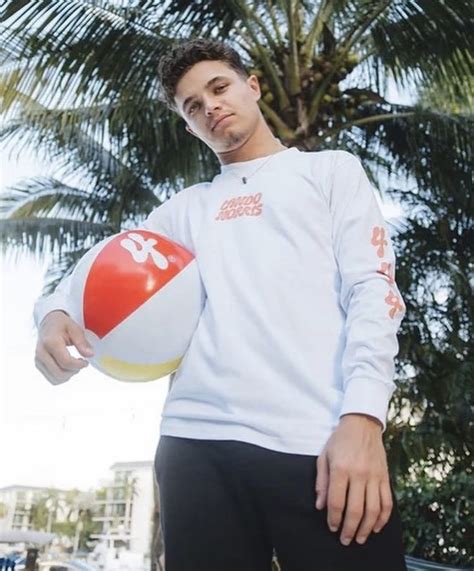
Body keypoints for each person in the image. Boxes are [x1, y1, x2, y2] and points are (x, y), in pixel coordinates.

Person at [33, 38, 408, 570]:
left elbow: (374, 292)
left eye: (218, 87)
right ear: (190, 127)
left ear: (251, 87)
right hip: (196, 444)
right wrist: (52, 315)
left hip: (320, 441)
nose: (209, 105)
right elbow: (92, 269)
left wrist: (364, 419)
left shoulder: (330, 172)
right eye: (192, 106)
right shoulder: (188, 209)